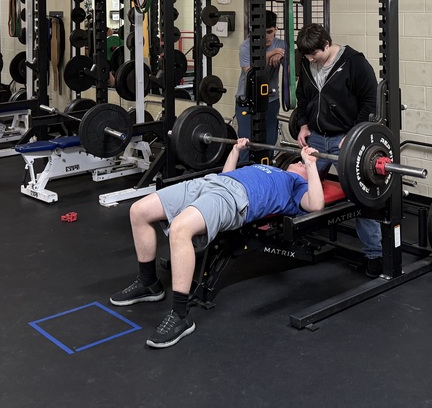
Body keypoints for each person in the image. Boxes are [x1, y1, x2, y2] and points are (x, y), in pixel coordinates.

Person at [110, 140, 324, 348]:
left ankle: (180, 315)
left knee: (180, 229)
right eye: (297, 161)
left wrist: (311, 165)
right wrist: (235, 151)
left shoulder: (297, 186)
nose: (298, 162)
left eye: (301, 163)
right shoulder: (268, 168)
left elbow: (316, 204)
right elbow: (227, 175)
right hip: (211, 182)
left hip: (235, 198)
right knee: (138, 211)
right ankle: (149, 284)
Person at [293, 23, 381, 276]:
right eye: (306, 55)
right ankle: (302, 240)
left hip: (346, 138)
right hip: (317, 138)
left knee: (360, 194)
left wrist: (354, 135)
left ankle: (375, 255)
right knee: (301, 186)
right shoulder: (308, 61)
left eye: (314, 55)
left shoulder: (355, 63)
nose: (310, 59)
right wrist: (302, 124)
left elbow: (371, 102)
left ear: (327, 45)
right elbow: (303, 97)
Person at [235, 10, 287, 154]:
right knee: (245, 143)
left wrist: (282, 56)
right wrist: (271, 54)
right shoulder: (246, 46)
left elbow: (290, 70)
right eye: (263, 32)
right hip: (247, 99)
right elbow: (250, 71)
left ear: (276, 29)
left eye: (270, 32)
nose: (266, 36)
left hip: (271, 99)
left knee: (270, 142)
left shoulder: (282, 45)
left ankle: (266, 172)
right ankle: (244, 174)